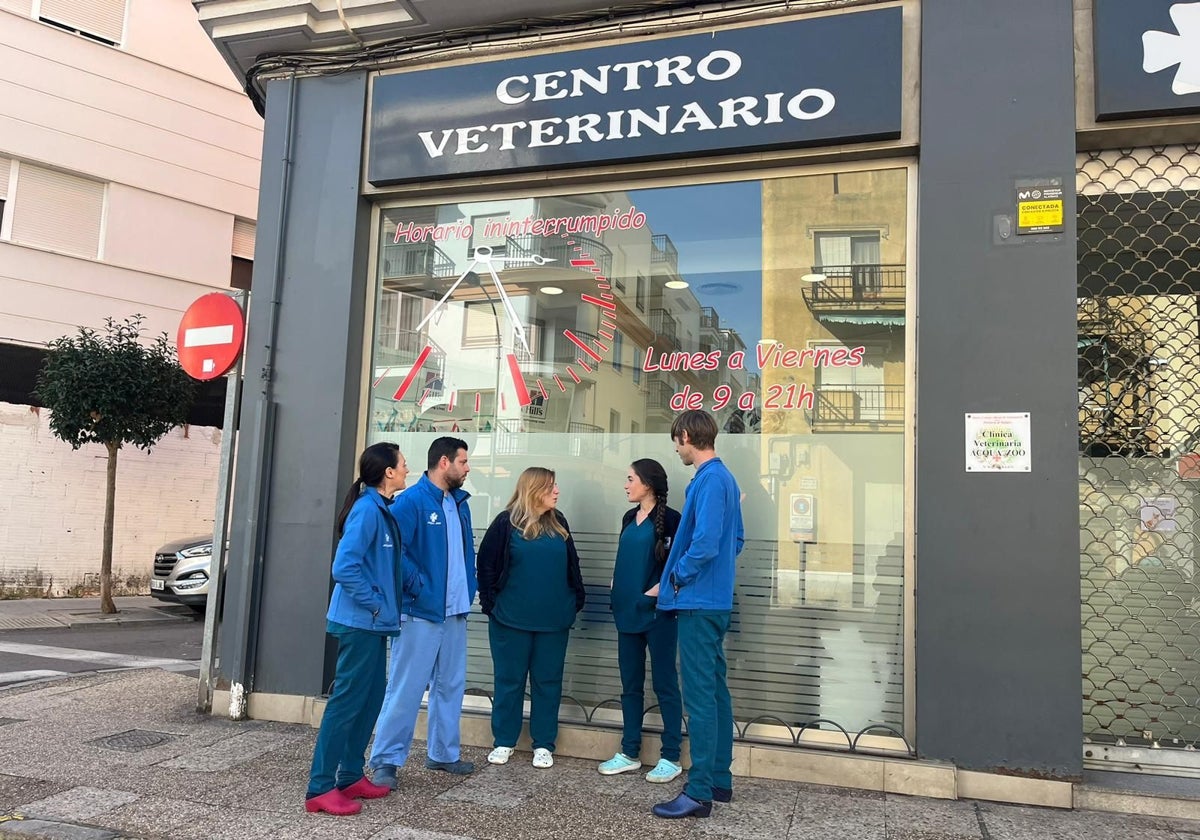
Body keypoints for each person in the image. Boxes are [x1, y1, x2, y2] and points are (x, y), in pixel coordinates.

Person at [305, 442, 410, 816]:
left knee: (370, 701)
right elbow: (344, 567)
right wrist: (377, 603)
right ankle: (319, 788)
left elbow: (384, 564)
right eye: (403, 464)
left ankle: (349, 776)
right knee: (347, 705)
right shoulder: (367, 511)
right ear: (388, 473)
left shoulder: (381, 509)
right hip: (360, 623)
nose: (407, 468)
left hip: (374, 625)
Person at [651, 410, 744, 820]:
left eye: (677, 441)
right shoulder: (725, 480)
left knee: (700, 698)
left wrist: (677, 578)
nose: (676, 448)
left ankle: (700, 790)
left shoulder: (709, 480)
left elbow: (705, 544)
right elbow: (735, 540)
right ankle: (720, 780)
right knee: (716, 692)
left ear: (688, 436)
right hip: (714, 600)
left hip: (698, 602)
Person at [370, 437, 477, 788]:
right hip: (420, 613)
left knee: (450, 686)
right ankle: (386, 759)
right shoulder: (412, 502)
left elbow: (464, 554)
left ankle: (443, 754)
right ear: (444, 462)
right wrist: (417, 585)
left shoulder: (460, 504)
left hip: (455, 613)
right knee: (406, 687)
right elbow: (391, 551)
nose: (467, 467)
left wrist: (469, 589)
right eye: (463, 461)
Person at [476, 467, 586, 769]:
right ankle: (504, 741)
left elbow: (572, 565)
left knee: (548, 682)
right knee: (509, 681)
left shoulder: (559, 522)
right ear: (534, 489)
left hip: (553, 621)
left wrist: (575, 600)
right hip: (510, 620)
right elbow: (485, 566)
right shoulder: (505, 524)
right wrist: (491, 607)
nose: (557, 491)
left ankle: (543, 744)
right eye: (551, 486)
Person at [598, 458, 684, 783]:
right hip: (626, 610)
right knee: (630, 685)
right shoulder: (627, 517)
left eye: (630, 478)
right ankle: (629, 752)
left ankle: (671, 756)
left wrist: (655, 592)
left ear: (647, 484)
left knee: (664, 684)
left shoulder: (673, 520)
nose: (626, 484)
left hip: (657, 613)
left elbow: (677, 563)